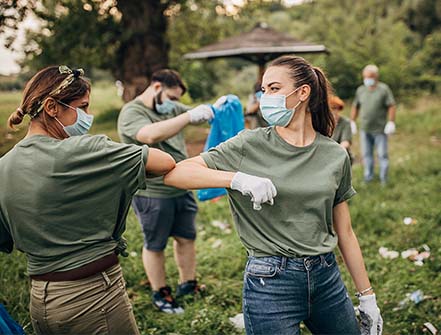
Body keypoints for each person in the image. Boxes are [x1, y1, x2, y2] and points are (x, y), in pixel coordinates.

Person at [164, 56, 383, 335]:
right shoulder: (249, 144)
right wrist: (237, 179)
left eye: (274, 89)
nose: (265, 97)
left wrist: (367, 297)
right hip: (270, 283)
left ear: (303, 93)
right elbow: (175, 174)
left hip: (326, 276)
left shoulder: (335, 155)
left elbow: (346, 232)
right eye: (264, 90)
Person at [0, 65, 175, 335]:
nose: (88, 116)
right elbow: (163, 162)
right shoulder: (82, 151)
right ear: (51, 107)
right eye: (83, 107)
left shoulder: (4, 166)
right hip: (92, 296)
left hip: (41, 299)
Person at [117, 69, 217, 314]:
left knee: (186, 237)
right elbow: (149, 135)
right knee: (156, 244)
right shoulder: (132, 112)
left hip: (181, 185)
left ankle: (188, 284)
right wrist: (188, 116)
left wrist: (217, 106)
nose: (175, 105)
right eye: (172, 98)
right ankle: (160, 292)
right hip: (153, 192)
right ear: (157, 87)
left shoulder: (170, 106)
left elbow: (195, 113)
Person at [351, 64, 396, 184]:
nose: (367, 79)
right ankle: (368, 178)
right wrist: (352, 121)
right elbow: (356, 106)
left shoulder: (384, 89)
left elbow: (391, 105)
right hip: (365, 129)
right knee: (367, 155)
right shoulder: (361, 90)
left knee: (382, 155)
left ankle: (384, 179)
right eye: (365, 77)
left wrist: (391, 122)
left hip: (380, 129)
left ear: (376, 76)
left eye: (370, 76)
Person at [330, 95, 353, 163]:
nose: (333, 111)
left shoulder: (345, 123)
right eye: (331, 108)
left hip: (340, 154)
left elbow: (346, 142)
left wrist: (336, 151)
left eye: (335, 108)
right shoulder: (322, 122)